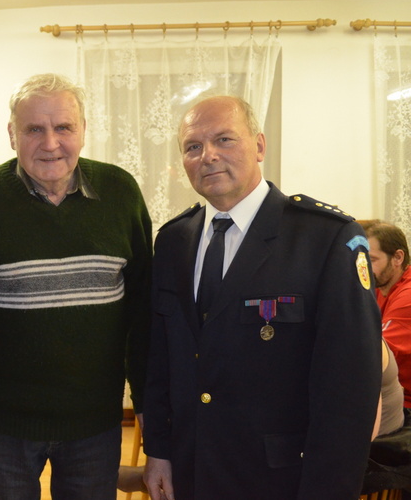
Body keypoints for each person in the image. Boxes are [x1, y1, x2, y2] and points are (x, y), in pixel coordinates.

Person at [142, 95, 382, 499]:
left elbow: (349, 387)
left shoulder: (324, 238)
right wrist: (159, 451)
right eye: (192, 146)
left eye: (224, 139)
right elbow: (162, 361)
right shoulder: (173, 240)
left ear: (259, 145)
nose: (208, 156)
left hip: (281, 478)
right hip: (192, 470)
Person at [0, 73, 152, 500]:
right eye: (34, 129)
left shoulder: (120, 193)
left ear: (83, 130)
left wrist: (146, 404)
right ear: (12, 135)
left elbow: (144, 319)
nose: (50, 143)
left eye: (63, 127)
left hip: (96, 426)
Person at [361, 220, 411, 408]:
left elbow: (373, 356)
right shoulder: (376, 286)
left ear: (397, 258)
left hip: (404, 404)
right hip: (386, 394)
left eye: (371, 260)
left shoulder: (407, 296)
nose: (364, 269)